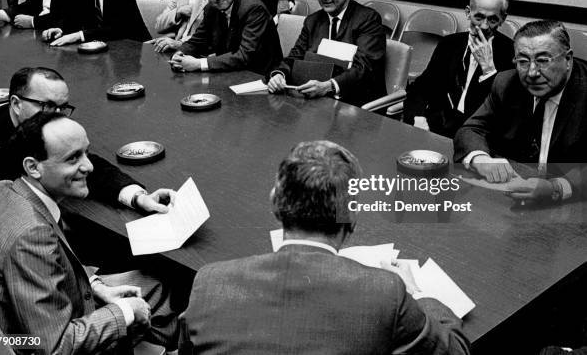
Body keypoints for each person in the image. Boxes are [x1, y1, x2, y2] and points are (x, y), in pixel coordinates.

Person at [181, 140, 470, 354]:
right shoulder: (387, 295)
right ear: (352, 217)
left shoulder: (209, 283)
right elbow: (456, 350)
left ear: (275, 204)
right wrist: (418, 294)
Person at [0, 112, 181, 353]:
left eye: (86, 152)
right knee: (158, 297)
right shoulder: (33, 235)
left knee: (151, 288)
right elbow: (56, 346)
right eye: (73, 159)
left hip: (18, 329)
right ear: (33, 167)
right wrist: (125, 311)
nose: (89, 166)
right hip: (30, 344)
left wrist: (96, 286)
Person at [0, 67, 171, 211]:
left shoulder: (42, 125)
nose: (58, 116)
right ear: (16, 104)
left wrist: (137, 197)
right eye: (48, 106)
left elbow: (86, 165)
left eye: (63, 107)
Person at [454, 20, 587, 203]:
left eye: (542, 60)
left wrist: (556, 187)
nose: (532, 72)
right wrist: (481, 159)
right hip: (515, 201)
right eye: (523, 61)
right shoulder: (506, 83)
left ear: (568, 59)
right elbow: (471, 129)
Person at [268, 0, 388, 106]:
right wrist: (279, 75)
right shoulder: (312, 21)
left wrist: (328, 86)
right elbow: (295, 56)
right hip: (317, 102)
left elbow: (364, 68)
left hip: (356, 102)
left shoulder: (368, 19)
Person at [404, 0, 515, 138]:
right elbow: (421, 87)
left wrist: (488, 70)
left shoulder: (511, 52)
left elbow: (504, 111)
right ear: (468, 12)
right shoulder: (449, 43)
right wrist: (418, 117)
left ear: (503, 18)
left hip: (478, 134)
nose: (484, 26)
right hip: (437, 126)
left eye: (493, 19)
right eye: (479, 17)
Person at [169, 0, 282, 74]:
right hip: (229, 71)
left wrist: (199, 64)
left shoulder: (253, 9)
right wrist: (179, 55)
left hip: (260, 75)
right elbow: (197, 41)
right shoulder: (211, 8)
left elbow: (244, 56)